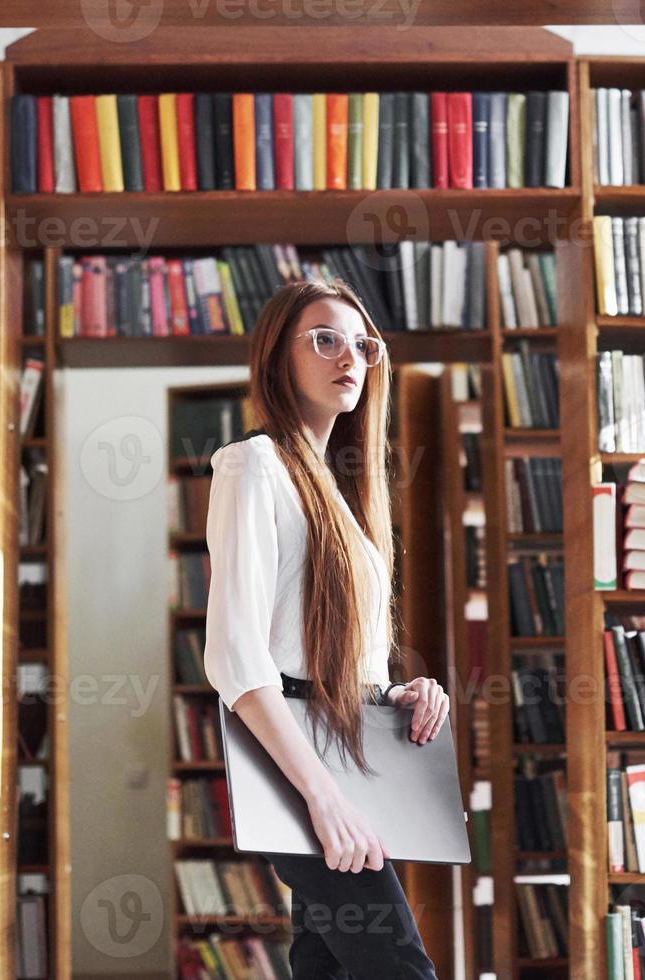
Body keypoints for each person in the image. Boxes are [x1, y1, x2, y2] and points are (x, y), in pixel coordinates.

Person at [201, 278, 449, 979]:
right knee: (399, 967)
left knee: (327, 967)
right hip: (302, 766)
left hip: (348, 751)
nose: (349, 356)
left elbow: (327, 644)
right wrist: (322, 797)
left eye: (362, 344)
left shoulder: (339, 489)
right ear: (279, 357)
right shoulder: (252, 467)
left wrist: (395, 691)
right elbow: (237, 657)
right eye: (324, 339)